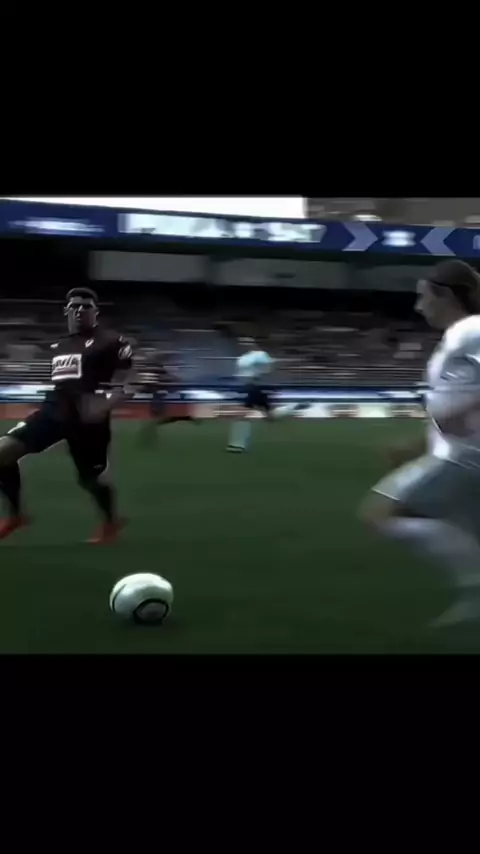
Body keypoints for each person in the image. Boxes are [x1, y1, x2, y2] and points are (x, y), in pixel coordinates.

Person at [359, 260, 480, 626]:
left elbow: (462, 407)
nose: (418, 306)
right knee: (462, 526)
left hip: (466, 456)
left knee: (382, 514)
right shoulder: (461, 334)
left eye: (422, 297)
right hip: (462, 452)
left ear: (445, 296)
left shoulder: (471, 330)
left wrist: (458, 418)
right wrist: (419, 443)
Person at [0, 287, 134, 544]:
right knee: (2, 453)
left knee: (91, 480)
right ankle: (16, 516)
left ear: (96, 311)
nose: (80, 310)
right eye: (74, 306)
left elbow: (129, 381)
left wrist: (106, 404)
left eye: (86, 306)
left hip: (88, 421)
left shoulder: (112, 342)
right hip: (52, 414)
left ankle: (111, 521)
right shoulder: (59, 345)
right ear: (66, 311)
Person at [227, 336, 277, 453]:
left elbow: (269, 368)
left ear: (253, 343)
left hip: (257, 386)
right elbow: (241, 373)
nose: (243, 344)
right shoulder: (242, 358)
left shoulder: (261, 355)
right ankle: (291, 409)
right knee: (270, 416)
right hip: (247, 387)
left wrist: (261, 376)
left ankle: (238, 444)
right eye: (241, 342)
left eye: (246, 342)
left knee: (242, 414)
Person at [137, 353, 198, 445]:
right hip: (158, 401)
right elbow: (168, 382)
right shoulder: (158, 374)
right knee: (158, 421)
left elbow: (168, 382)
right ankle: (186, 418)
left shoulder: (158, 374)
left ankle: (150, 436)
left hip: (158, 401)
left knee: (158, 421)